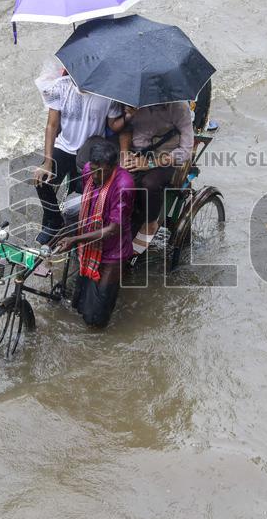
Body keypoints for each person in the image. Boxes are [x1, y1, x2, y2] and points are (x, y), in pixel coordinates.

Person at [32, 68, 123, 245]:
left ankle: (77, 236)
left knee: (80, 199)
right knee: (42, 180)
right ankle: (54, 221)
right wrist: (47, 162)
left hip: (90, 151)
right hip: (64, 146)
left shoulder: (108, 95)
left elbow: (114, 124)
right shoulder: (59, 87)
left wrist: (127, 116)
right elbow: (51, 125)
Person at [54, 139, 134, 327]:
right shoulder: (89, 170)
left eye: (102, 172)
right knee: (78, 305)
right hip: (91, 242)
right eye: (94, 170)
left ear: (113, 167)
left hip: (112, 251)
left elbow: (114, 229)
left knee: (96, 319)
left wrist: (75, 239)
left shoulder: (124, 185)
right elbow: (88, 202)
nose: (96, 176)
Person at [112, 101, 194, 256]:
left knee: (149, 184)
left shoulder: (179, 107)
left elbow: (186, 151)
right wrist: (125, 153)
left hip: (166, 158)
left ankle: (150, 223)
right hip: (136, 153)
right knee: (118, 180)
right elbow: (123, 130)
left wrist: (151, 163)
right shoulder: (133, 101)